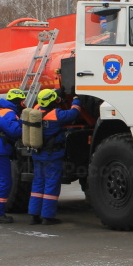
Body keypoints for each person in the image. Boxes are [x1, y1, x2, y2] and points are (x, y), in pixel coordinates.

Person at [28, 89, 81, 225]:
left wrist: (55, 94)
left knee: (38, 183)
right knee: (51, 185)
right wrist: (76, 99)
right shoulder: (56, 114)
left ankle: (34, 215)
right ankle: (48, 217)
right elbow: (74, 113)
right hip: (52, 155)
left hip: (38, 153)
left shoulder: (36, 110)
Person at [0, 88, 26, 223]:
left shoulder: (6, 111)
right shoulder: (7, 113)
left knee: (0, 182)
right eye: (22, 102)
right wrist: (25, 124)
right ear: (18, 101)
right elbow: (14, 131)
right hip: (0, 151)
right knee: (4, 183)